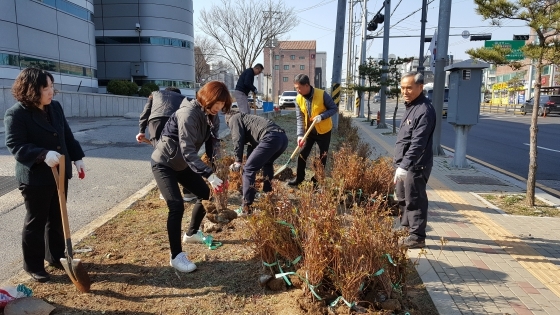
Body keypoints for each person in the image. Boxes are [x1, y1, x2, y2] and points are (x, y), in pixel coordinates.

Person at [4, 68, 86, 283]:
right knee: (36, 221)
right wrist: (41, 154)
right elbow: (15, 145)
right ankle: (33, 265)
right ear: (31, 90)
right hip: (35, 177)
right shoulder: (17, 113)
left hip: (59, 173)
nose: (51, 92)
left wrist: (77, 158)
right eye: (45, 88)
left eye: (52, 86)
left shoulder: (55, 107)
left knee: (57, 217)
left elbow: (66, 135)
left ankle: (57, 256)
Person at [150, 81, 230, 273]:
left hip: (182, 165)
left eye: (222, 104)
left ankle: (192, 233)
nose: (218, 108)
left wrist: (218, 171)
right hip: (164, 163)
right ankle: (176, 256)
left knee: (205, 194)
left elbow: (213, 145)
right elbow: (187, 151)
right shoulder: (188, 114)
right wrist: (208, 174)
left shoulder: (212, 116)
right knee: (176, 205)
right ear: (206, 98)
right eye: (217, 103)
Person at [393, 72, 436, 249]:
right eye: (402, 88)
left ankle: (417, 236)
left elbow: (418, 143)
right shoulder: (411, 106)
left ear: (420, 87)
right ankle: (406, 227)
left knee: (415, 199)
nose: (405, 91)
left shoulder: (424, 110)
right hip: (404, 164)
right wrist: (399, 164)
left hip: (416, 165)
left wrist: (404, 166)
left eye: (409, 87)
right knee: (402, 197)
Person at [136, 87, 198, 202]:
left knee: (160, 157)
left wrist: (141, 131)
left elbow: (145, 112)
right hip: (175, 122)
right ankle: (188, 192)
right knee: (182, 155)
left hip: (155, 122)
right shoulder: (182, 98)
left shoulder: (155, 95)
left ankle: (167, 192)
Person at [225, 111, 288, 216]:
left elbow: (237, 138)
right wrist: (247, 161)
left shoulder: (233, 118)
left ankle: (246, 208)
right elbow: (253, 147)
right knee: (267, 163)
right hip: (282, 138)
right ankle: (268, 194)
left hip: (270, 137)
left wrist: (237, 161)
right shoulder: (248, 120)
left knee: (248, 170)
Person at [287, 74, 337, 186]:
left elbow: (334, 108)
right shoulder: (298, 99)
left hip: (323, 131)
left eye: (299, 87)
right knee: (302, 154)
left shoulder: (322, 94)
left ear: (307, 85)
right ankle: (299, 179)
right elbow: (299, 118)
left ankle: (317, 180)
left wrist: (322, 116)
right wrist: (300, 135)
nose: (298, 90)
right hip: (308, 132)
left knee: (322, 157)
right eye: (296, 88)